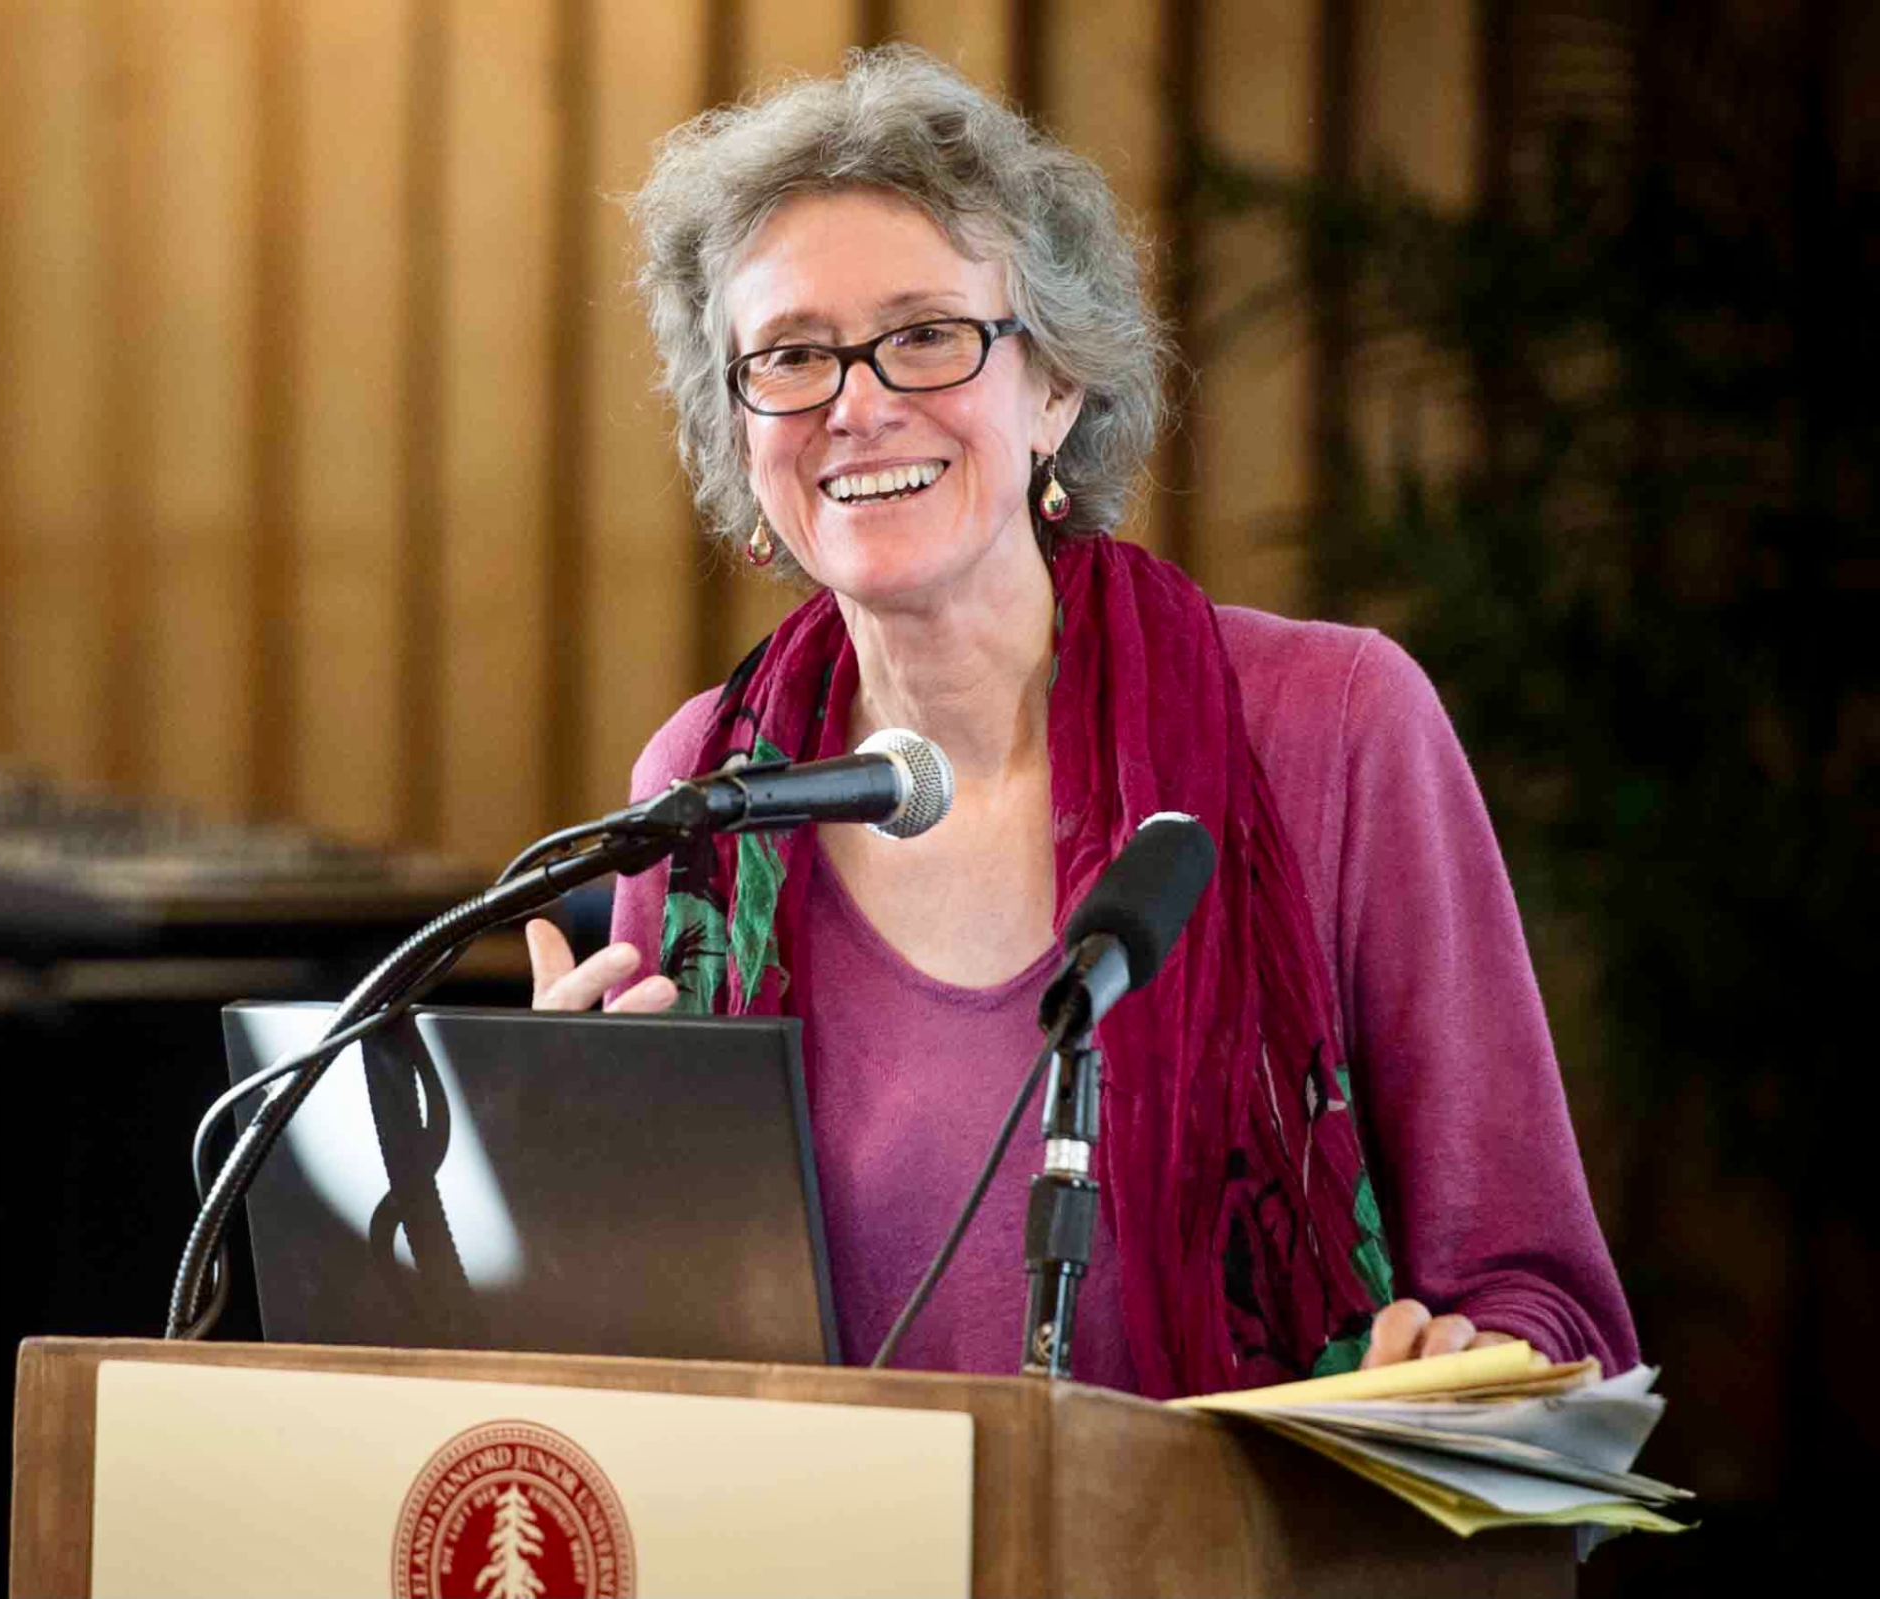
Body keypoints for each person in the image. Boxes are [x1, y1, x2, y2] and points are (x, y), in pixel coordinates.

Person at [524, 46, 1637, 1399]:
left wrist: (1466, 1365)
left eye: (926, 333)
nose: (857, 404)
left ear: (1052, 387)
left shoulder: (1330, 728)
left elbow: (1547, 1306)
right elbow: (658, 1374)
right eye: (792, 355)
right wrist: (573, 1196)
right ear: (740, 430)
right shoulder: (699, 790)